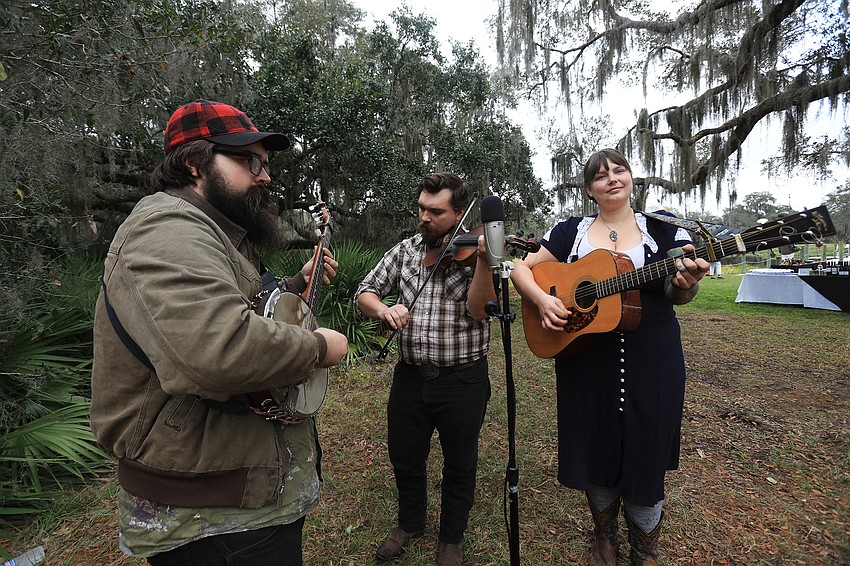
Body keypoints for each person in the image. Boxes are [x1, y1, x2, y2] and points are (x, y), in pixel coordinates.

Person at [90, 99, 349, 565]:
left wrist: (295, 286)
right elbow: (218, 348)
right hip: (210, 518)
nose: (264, 176)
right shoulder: (165, 231)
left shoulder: (212, 232)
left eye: (265, 164)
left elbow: (237, 307)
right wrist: (318, 347)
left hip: (238, 495)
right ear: (193, 163)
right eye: (250, 161)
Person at [509, 148, 709, 566]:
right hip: (586, 358)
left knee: (647, 449)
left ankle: (645, 549)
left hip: (654, 358)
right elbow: (521, 270)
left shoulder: (666, 228)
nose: (612, 179)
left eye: (619, 170)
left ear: (632, 178)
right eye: (601, 176)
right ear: (589, 189)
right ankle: (605, 536)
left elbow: (679, 293)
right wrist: (543, 303)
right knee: (595, 443)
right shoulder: (570, 231)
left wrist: (687, 283)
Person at [355, 173, 497, 566]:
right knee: (405, 457)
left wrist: (485, 261)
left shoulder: (477, 254)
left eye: (435, 212)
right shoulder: (405, 251)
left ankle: (451, 538)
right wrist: (384, 308)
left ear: (457, 214)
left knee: (460, 462)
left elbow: (479, 310)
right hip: (410, 377)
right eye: (421, 208)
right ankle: (410, 522)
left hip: (463, 379)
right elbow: (363, 292)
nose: (424, 217)